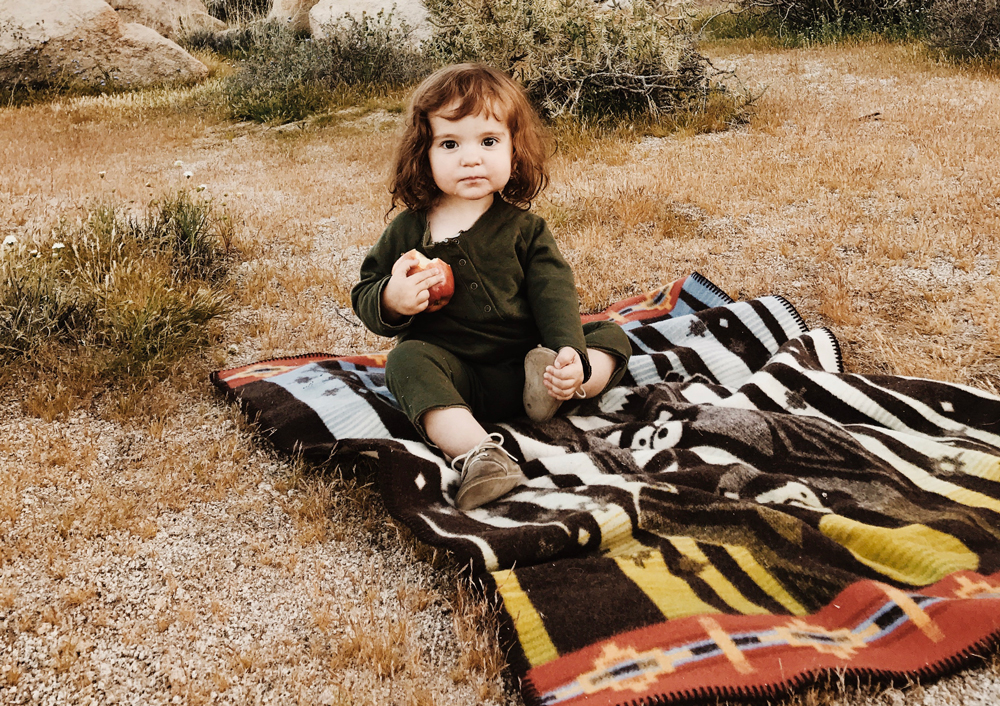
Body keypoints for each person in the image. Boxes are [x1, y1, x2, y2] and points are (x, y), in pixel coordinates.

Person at [351, 64, 631, 511]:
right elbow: (365, 291)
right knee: (406, 360)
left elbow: (554, 295)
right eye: (449, 144)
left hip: (530, 362)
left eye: (488, 141)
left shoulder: (525, 230)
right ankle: (480, 453)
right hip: (458, 377)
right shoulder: (409, 231)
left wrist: (568, 354)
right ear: (422, 154)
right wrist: (392, 297)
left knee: (610, 335)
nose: (471, 158)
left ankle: (569, 385)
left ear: (514, 151)